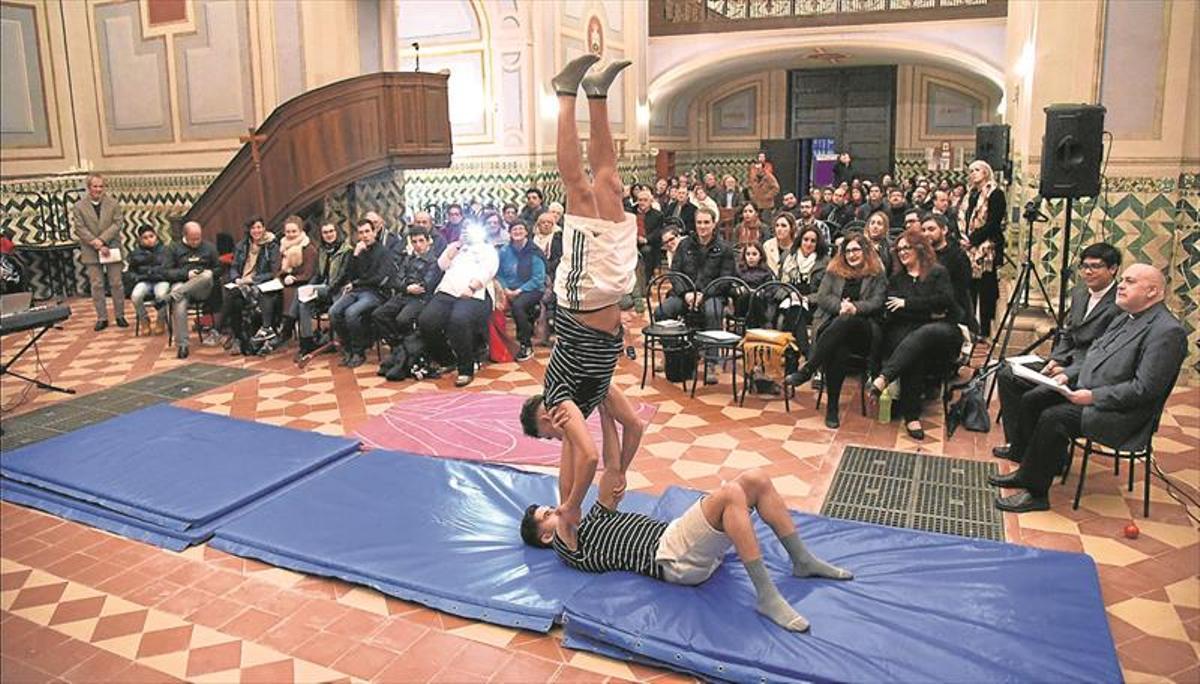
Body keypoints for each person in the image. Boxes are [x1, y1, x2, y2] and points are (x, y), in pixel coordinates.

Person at [516, 54, 641, 550]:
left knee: (580, 192)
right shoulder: (590, 398)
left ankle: (565, 93)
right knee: (610, 183)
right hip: (610, 294)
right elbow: (629, 428)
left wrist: (569, 507)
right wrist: (619, 472)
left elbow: (584, 457)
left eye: (548, 431)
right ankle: (598, 94)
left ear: (546, 413)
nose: (557, 433)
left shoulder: (561, 400)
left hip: (583, 295)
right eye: (553, 435)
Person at [519, 465, 852, 632]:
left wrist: (606, 409)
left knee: (756, 479)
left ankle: (802, 560)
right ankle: (767, 595)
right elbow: (568, 491)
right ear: (547, 537)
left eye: (551, 508)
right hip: (672, 557)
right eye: (548, 516)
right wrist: (567, 433)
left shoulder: (594, 519)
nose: (556, 510)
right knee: (731, 494)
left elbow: (612, 464)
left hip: (682, 542)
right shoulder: (569, 548)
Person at [988, 264, 1186, 512]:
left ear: (1152, 291)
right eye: (1123, 279)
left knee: (1055, 417)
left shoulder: (1167, 331)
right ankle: (1027, 468)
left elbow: (1144, 389)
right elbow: (1094, 355)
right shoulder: (1126, 316)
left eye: (1130, 281)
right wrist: (1067, 376)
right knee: (1034, 398)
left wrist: (1093, 396)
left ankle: (1036, 494)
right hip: (1089, 392)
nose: (1121, 285)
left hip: (1122, 413)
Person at [993, 243, 1122, 463]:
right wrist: (1055, 359)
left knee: (1036, 396)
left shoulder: (1119, 304)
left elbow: (1103, 352)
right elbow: (1068, 333)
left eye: (1095, 266)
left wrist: (1068, 371)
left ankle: (1047, 456)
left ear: (1113, 269)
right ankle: (1018, 444)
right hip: (1066, 361)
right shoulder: (1080, 293)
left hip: (1088, 372)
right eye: (1084, 266)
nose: (1088, 272)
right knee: (1007, 374)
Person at [785, 230, 887, 428]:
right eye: (847, 251)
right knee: (839, 349)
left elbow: (878, 301)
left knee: (846, 321)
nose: (851, 255)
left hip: (864, 330)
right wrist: (841, 306)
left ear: (865, 251)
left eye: (856, 250)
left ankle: (809, 368)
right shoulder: (834, 270)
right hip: (832, 326)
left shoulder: (876, 273)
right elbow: (823, 297)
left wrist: (854, 308)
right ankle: (832, 408)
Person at [868, 229, 963, 439]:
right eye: (899, 249)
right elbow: (893, 309)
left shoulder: (937, 272)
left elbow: (945, 301)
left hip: (941, 333)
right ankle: (912, 416)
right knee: (914, 350)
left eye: (907, 248)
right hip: (909, 334)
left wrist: (908, 304)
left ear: (919, 248)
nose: (902, 252)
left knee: (924, 334)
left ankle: (884, 378)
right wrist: (927, 311)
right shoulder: (897, 279)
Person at [662, 206, 735, 385]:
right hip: (685, 295)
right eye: (699, 222)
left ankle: (711, 362)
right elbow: (674, 273)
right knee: (662, 311)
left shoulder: (724, 248)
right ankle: (672, 354)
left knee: (712, 312)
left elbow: (726, 279)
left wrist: (704, 294)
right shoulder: (684, 245)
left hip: (712, 295)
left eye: (706, 222)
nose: (702, 226)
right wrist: (686, 293)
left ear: (714, 224)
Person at [419, 222, 498, 386]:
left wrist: (472, 287)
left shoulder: (487, 249)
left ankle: (466, 369)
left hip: (474, 293)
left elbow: (488, 270)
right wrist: (456, 248)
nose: (467, 233)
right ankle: (447, 359)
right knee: (427, 320)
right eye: (464, 230)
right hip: (448, 290)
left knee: (458, 320)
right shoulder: (454, 247)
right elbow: (442, 265)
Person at [329, 218, 396, 368]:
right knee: (334, 311)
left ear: (374, 232)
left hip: (376, 293)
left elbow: (378, 278)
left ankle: (359, 352)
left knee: (351, 313)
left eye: (367, 231)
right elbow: (350, 275)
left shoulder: (383, 252)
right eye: (361, 233)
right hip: (357, 291)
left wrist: (356, 283)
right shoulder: (358, 251)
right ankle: (348, 348)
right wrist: (355, 255)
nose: (365, 235)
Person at [72, 173, 127, 330]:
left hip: (111, 247)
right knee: (97, 285)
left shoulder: (113, 204)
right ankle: (102, 318)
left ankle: (120, 315)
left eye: (101, 186)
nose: (98, 189)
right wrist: (95, 243)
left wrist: (102, 240)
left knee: (116, 283)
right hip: (91, 249)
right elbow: (80, 228)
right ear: (89, 187)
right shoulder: (79, 206)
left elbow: (117, 224)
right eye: (95, 186)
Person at [218, 216, 279, 355]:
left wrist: (252, 279)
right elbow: (234, 266)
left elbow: (273, 272)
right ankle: (240, 338)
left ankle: (221, 328)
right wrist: (236, 278)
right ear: (249, 230)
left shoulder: (271, 246)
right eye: (253, 228)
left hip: (259, 284)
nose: (256, 231)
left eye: (259, 227)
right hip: (241, 282)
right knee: (236, 302)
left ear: (264, 228)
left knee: (232, 296)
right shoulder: (242, 245)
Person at [163, 221, 221, 359]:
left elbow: (218, 269)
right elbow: (166, 272)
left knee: (207, 275)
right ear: (185, 236)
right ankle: (182, 345)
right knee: (179, 301)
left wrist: (203, 274)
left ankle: (173, 295)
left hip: (202, 288)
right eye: (192, 239)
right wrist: (187, 274)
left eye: (198, 238)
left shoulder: (209, 247)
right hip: (183, 284)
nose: (196, 242)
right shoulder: (174, 248)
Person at [259, 215, 317, 352]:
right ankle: (267, 328)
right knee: (266, 294)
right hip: (284, 281)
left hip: (301, 283)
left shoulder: (308, 248)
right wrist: (281, 277)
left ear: (300, 231)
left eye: (294, 231)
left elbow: (309, 273)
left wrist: (294, 278)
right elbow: (278, 269)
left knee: (289, 294)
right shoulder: (282, 247)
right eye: (288, 232)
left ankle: (285, 331)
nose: (290, 234)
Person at [963, 159, 1007, 338]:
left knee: (986, 289)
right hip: (969, 247)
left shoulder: (996, 194)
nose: (973, 173)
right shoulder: (971, 195)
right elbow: (965, 218)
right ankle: (972, 326)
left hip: (987, 247)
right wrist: (965, 238)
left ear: (986, 172)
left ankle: (985, 329)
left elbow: (993, 223)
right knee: (970, 288)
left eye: (977, 169)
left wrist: (973, 239)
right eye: (971, 170)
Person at [294, 223, 352, 357]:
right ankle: (307, 343)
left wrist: (329, 289)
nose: (328, 235)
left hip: (338, 288)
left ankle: (342, 342)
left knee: (302, 293)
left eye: (331, 231)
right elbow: (318, 275)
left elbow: (343, 275)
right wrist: (310, 287)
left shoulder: (346, 250)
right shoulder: (322, 250)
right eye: (325, 232)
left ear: (336, 232)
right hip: (323, 288)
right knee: (303, 300)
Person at [497, 221, 547, 361]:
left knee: (518, 306)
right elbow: (499, 273)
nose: (517, 232)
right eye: (514, 229)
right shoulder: (504, 251)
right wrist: (505, 288)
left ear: (526, 232)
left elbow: (538, 279)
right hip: (508, 288)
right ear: (509, 233)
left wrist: (519, 290)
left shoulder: (534, 252)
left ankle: (526, 345)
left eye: (521, 229)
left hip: (532, 288)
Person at [778, 223, 830, 357]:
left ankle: (792, 353)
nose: (808, 244)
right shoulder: (787, 256)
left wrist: (806, 299)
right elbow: (779, 285)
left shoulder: (825, 262)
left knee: (796, 310)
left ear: (818, 244)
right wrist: (790, 293)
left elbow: (825, 292)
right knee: (794, 309)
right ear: (800, 240)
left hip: (813, 305)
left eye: (813, 241)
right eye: (806, 239)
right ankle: (804, 351)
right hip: (788, 299)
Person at [922, 213, 977, 336]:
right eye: (923, 230)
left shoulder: (958, 256)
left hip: (952, 313)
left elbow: (961, 288)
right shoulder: (921, 256)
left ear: (944, 230)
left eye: (931, 229)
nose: (926, 234)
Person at [124, 226, 169, 335]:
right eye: (145, 238)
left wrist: (151, 272)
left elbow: (168, 268)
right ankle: (144, 320)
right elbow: (131, 272)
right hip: (144, 280)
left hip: (161, 280)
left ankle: (160, 320)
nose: (149, 240)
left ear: (156, 236)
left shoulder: (166, 250)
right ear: (140, 240)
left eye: (151, 236)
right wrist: (137, 277)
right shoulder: (135, 253)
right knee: (136, 296)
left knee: (161, 295)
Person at [864, 210, 893, 275]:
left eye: (879, 224)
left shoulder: (890, 246)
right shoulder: (861, 244)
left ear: (885, 228)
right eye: (872, 223)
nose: (875, 226)